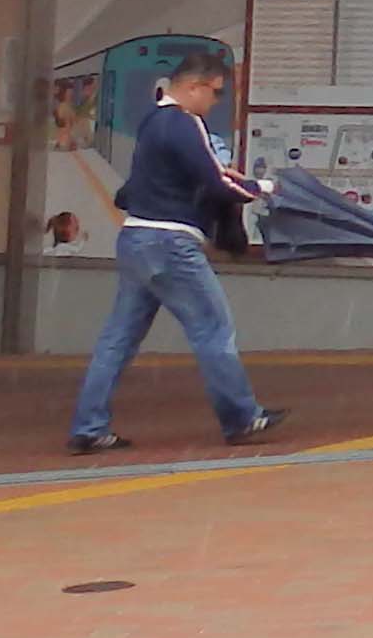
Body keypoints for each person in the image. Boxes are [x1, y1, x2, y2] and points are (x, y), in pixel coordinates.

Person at [66, 44, 280, 454]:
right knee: (213, 328)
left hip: (135, 237)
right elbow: (217, 183)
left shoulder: (153, 122)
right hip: (171, 241)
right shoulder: (184, 122)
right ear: (195, 87)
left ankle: (89, 425)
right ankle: (241, 417)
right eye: (216, 92)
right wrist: (265, 188)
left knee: (118, 339)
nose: (216, 102)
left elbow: (189, 175)